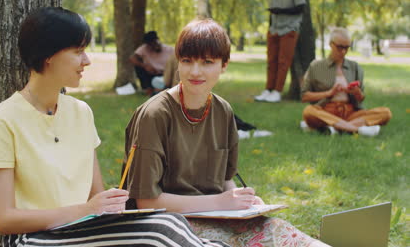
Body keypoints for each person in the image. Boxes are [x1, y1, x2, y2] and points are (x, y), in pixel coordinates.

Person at [0, 7, 229, 247]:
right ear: (48, 55)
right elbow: (4, 220)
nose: (87, 60)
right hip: (37, 239)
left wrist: (111, 204)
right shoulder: (2, 122)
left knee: (169, 221)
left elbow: (96, 195)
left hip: (84, 229)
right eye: (77, 51)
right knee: (157, 233)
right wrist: (87, 209)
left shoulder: (80, 112)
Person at [123, 19, 330, 247]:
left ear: (224, 65)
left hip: (216, 215)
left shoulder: (223, 111)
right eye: (187, 60)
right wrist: (220, 202)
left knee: (282, 231)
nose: (195, 71)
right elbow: (146, 201)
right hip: (164, 224)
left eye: (207, 62)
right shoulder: (154, 115)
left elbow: (224, 180)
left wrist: (244, 202)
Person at [301, 27, 392, 136]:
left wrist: (356, 92)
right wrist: (329, 93)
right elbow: (304, 96)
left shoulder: (355, 67)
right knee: (309, 111)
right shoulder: (316, 66)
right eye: (340, 47)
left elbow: (361, 99)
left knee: (385, 113)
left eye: (346, 47)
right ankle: (356, 129)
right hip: (326, 111)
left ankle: (335, 128)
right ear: (331, 44)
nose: (343, 51)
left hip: (350, 113)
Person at [255, 0, 305, 103]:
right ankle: (268, 90)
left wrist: (280, 11)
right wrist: (270, 27)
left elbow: (301, 8)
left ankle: (277, 92)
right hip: (274, 30)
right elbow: (272, 13)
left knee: (283, 61)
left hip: (289, 29)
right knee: (271, 61)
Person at [130, 31, 174, 96]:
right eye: (151, 44)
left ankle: (161, 90)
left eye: (155, 43)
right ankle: (149, 90)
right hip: (151, 73)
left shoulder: (169, 49)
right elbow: (132, 58)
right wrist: (145, 66)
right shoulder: (144, 48)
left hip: (166, 74)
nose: (154, 45)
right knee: (138, 68)